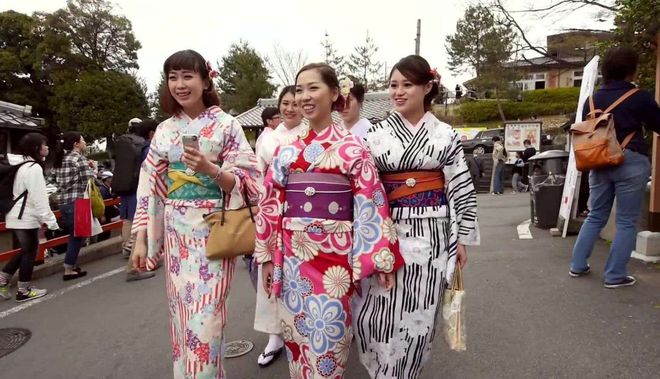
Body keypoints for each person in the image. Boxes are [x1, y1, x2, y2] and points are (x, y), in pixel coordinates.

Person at [255, 63, 402, 378]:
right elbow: (270, 203)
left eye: (313, 88)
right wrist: (267, 256)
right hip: (294, 260)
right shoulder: (285, 151)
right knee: (297, 344)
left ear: (334, 93)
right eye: (299, 89)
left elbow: (371, 203)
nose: (304, 97)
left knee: (328, 344)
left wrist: (382, 258)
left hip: (335, 261)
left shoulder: (352, 148)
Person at [130, 49, 260, 378]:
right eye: (173, 77)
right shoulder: (164, 130)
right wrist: (141, 238)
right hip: (176, 235)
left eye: (188, 76)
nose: (180, 84)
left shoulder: (227, 126)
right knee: (182, 319)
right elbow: (149, 183)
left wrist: (210, 169)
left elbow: (250, 180)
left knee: (207, 320)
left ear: (205, 80)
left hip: (212, 232)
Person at [355, 55, 479, 379]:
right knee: (375, 316)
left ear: (427, 87)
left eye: (407, 85)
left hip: (432, 235)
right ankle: (383, 370)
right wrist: (368, 237)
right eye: (394, 85)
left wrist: (462, 237)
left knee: (419, 317)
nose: (398, 92)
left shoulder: (446, 135)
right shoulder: (376, 136)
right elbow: (366, 190)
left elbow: (461, 185)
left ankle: (403, 374)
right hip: (388, 232)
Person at [569, 46, 660, 288]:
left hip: (598, 160)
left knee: (595, 215)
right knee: (627, 221)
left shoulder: (592, 100)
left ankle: (578, 265)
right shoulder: (639, 96)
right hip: (630, 161)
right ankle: (615, 275)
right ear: (631, 70)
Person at [251, 85, 305, 367]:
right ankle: (274, 334)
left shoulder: (310, 134)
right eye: (285, 103)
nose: (290, 108)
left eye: (296, 103)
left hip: (302, 212)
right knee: (270, 271)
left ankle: (303, 332)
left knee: (301, 275)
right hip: (273, 211)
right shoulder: (267, 139)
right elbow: (258, 175)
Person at [0, 133, 59, 302]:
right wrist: (51, 221)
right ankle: (23, 290)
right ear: (36, 148)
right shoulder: (33, 168)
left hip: (17, 213)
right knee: (30, 252)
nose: (47, 147)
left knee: (27, 249)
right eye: (44, 144)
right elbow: (39, 197)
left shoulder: (22, 164)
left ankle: (3, 278)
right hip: (24, 214)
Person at [51, 131, 96, 281]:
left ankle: (72, 265)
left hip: (63, 201)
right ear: (76, 144)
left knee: (76, 234)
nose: (84, 143)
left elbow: (52, 178)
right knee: (77, 236)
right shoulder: (78, 158)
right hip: (78, 201)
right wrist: (93, 168)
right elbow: (88, 180)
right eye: (82, 140)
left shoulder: (60, 158)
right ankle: (69, 269)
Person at [122, 119, 158, 282]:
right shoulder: (149, 149)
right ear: (152, 133)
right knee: (142, 229)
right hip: (146, 193)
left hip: (133, 191)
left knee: (134, 223)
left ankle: (136, 259)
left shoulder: (136, 147)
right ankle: (134, 267)